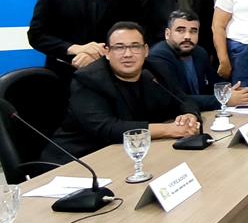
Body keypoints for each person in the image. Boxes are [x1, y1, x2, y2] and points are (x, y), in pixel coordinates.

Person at [42, 22, 200, 164]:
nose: (128, 54)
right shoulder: (88, 79)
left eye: (135, 47)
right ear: (107, 52)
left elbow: (183, 100)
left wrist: (189, 116)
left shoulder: (156, 70)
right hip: (78, 160)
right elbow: (108, 128)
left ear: (145, 50)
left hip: (128, 155)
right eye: (119, 47)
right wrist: (169, 130)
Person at [148, 10, 248, 111]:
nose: (187, 36)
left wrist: (229, 91)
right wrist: (225, 100)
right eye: (180, 31)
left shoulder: (199, 52)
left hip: (202, 112)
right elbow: (176, 98)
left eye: (193, 31)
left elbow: (215, 83)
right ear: (167, 34)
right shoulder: (158, 57)